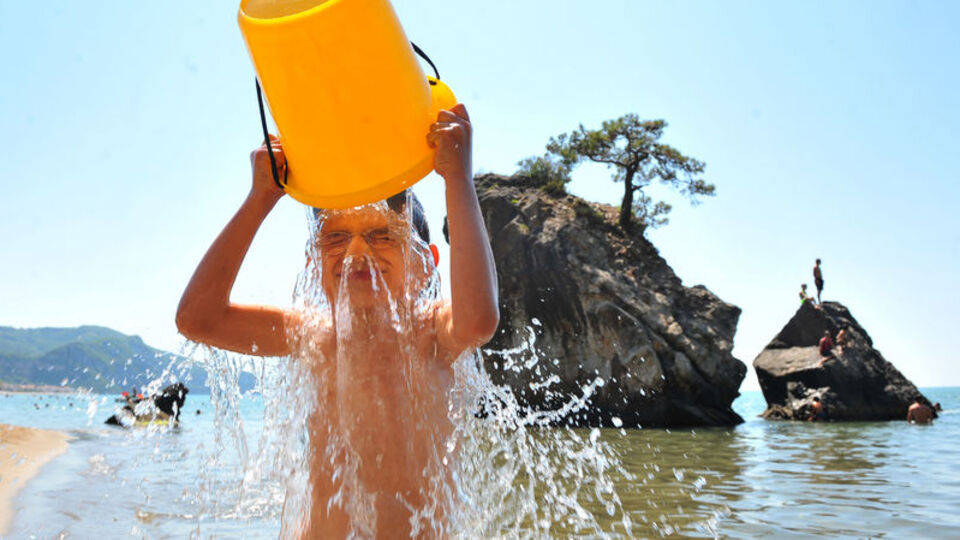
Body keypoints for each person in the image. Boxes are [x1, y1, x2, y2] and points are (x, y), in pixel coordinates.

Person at [176, 103, 499, 537]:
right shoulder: (311, 334)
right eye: (336, 238)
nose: (356, 251)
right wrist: (260, 198)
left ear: (426, 263)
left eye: (383, 234)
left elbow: (478, 321)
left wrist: (458, 179)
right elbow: (198, 319)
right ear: (314, 262)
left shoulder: (432, 334)